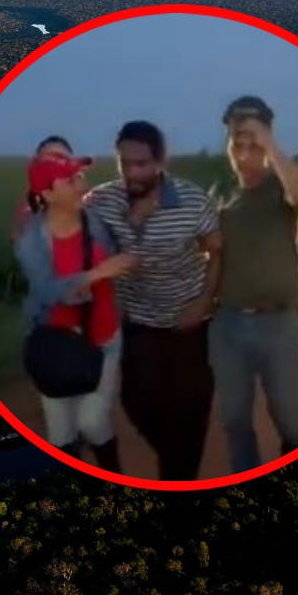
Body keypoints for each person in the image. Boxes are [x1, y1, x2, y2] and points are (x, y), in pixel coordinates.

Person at [87, 121, 222, 481]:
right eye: (124, 163)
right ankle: (178, 464)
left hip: (190, 323)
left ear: (161, 161)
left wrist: (204, 301)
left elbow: (216, 252)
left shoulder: (192, 200)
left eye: (141, 164)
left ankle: (178, 481)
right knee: (137, 403)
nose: (132, 172)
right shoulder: (103, 201)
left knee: (190, 411)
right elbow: (72, 238)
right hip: (138, 322)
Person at [207, 96, 298, 474]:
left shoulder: (281, 183)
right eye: (237, 143)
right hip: (228, 325)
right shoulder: (221, 192)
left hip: (279, 325)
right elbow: (211, 255)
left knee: (292, 424)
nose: (244, 154)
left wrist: (269, 144)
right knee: (235, 420)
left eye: (254, 144)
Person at [13, 154, 137, 473]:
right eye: (70, 180)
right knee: (61, 435)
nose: (82, 185)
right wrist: (96, 274)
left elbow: (120, 252)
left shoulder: (95, 221)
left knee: (92, 422)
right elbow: (46, 292)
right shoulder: (32, 241)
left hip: (103, 338)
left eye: (80, 177)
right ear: (47, 194)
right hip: (55, 346)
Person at [10, 136, 75, 241]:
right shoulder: (27, 208)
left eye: (60, 157)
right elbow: (16, 239)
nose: (54, 162)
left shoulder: (84, 204)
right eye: (49, 157)